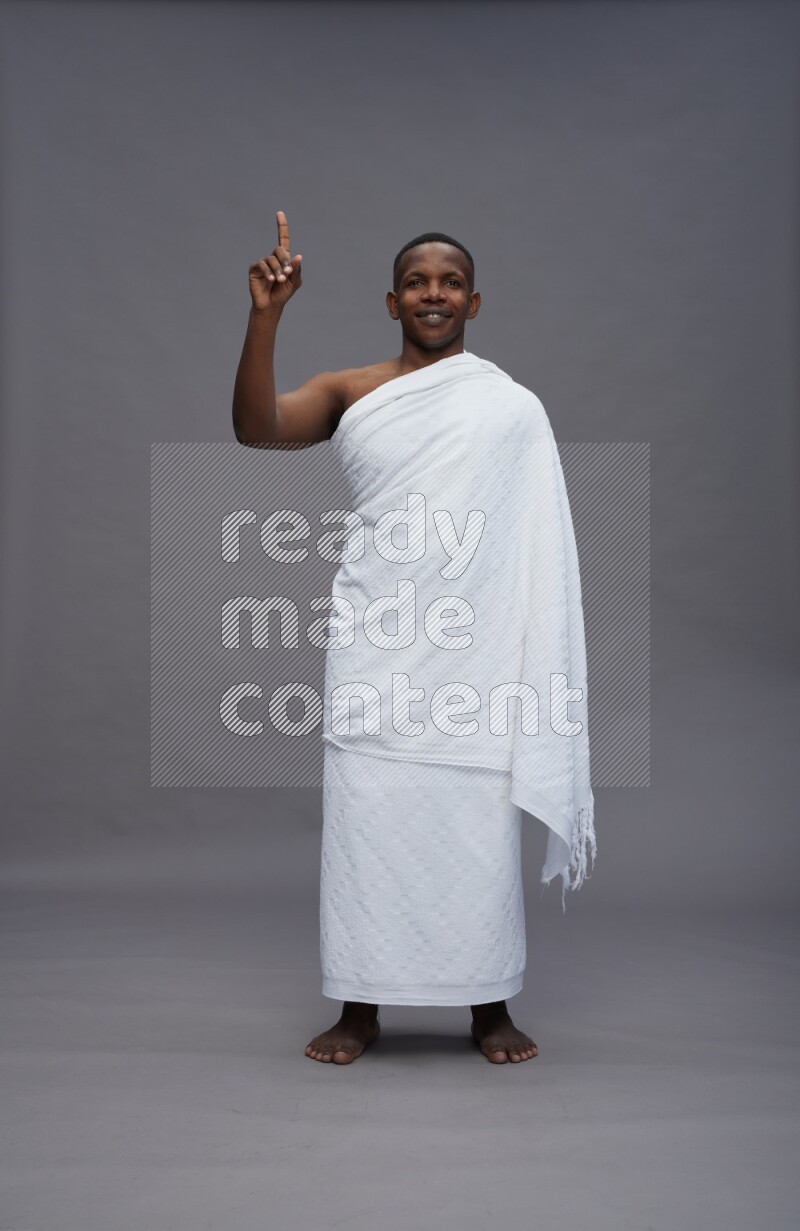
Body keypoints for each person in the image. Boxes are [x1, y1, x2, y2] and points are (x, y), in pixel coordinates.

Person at [233, 211, 551, 1065]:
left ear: (474, 301)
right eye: (418, 282)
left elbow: (535, 545)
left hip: (473, 651)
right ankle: (360, 1005)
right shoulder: (353, 390)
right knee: (368, 824)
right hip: (377, 642)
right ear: (391, 300)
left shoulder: (510, 407)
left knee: (477, 825)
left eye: (450, 282)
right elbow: (259, 428)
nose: (434, 293)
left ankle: (488, 1004)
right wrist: (267, 315)